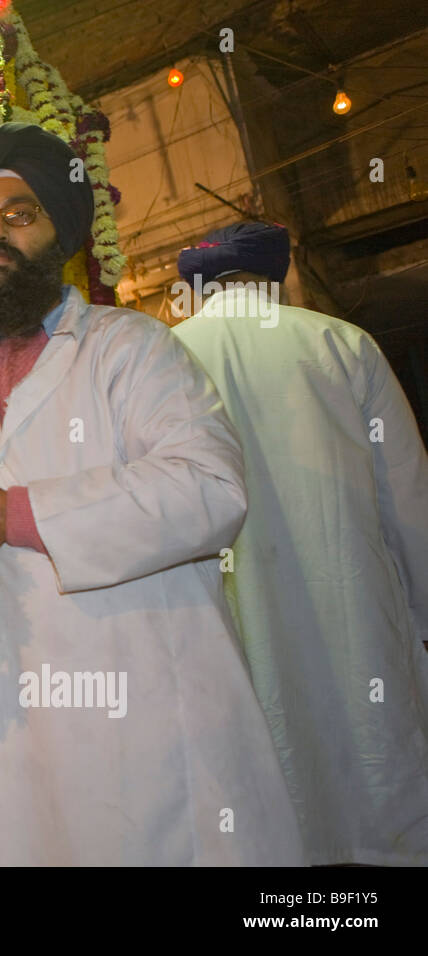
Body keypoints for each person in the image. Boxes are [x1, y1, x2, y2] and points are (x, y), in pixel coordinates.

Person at [0, 122, 302, 866]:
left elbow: (209, 486)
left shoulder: (132, 348)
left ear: (59, 234)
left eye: (19, 215)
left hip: (119, 721)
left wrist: (16, 512)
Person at [171, 221, 428, 866]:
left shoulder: (164, 356)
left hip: (225, 622)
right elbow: (409, 498)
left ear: (195, 287)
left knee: (264, 800)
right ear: (280, 275)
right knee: (373, 790)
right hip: (355, 613)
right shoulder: (344, 344)